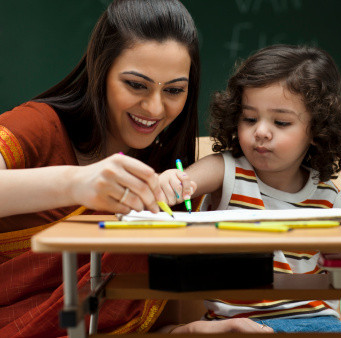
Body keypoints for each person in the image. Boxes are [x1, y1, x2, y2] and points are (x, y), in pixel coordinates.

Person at [0, 0, 207, 335]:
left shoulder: (169, 176)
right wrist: (75, 182)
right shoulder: (40, 126)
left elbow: (146, 324)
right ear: (101, 70)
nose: (154, 108)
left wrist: (190, 332)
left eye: (173, 90)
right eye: (136, 85)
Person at [159, 44, 341, 333]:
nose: (260, 131)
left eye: (281, 122)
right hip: (236, 325)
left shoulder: (327, 195)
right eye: (249, 118)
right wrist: (172, 181)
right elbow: (184, 183)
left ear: (317, 132)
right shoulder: (226, 169)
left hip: (316, 321)